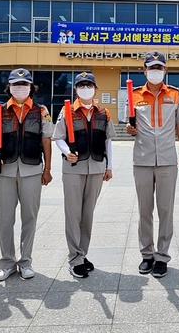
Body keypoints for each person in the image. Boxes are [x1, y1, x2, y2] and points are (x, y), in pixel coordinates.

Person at [126, 50, 179, 278]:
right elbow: (129, 125)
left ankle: (162, 256)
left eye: (159, 68)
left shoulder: (174, 94)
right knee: (144, 210)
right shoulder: (134, 95)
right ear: (144, 70)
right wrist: (130, 129)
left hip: (167, 160)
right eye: (151, 68)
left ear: (165, 70)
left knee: (165, 209)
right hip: (142, 159)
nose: (155, 71)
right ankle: (147, 254)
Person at [0, 68, 54, 282]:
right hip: (5, 170)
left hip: (32, 169)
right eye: (16, 84)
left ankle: (25, 262)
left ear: (31, 88)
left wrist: (47, 169)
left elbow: (46, 140)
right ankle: (7, 263)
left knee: (30, 218)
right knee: (4, 219)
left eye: (24, 85)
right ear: (9, 87)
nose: (20, 88)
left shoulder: (40, 111)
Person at [53, 72, 115, 279]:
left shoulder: (103, 113)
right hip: (73, 168)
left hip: (97, 167)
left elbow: (108, 141)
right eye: (82, 85)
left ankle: (82, 253)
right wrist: (66, 151)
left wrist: (109, 166)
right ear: (76, 89)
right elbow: (59, 137)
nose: (85, 88)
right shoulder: (67, 111)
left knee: (87, 215)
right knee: (73, 214)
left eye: (89, 85)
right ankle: (74, 258)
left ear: (95, 89)